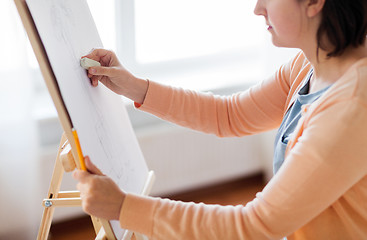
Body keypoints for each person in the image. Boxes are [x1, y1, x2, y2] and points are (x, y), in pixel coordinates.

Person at [73, 0, 367, 239]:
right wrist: (134, 86)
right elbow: (230, 115)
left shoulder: (353, 103)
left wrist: (125, 207)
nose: (257, 7)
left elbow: (255, 226)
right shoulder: (310, 62)